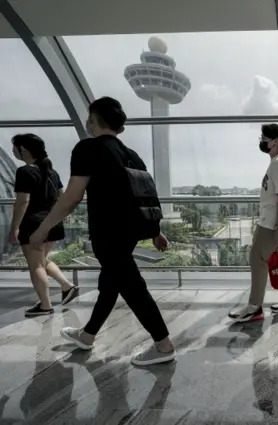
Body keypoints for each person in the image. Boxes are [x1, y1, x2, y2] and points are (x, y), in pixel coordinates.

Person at [29, 96, 175, 366]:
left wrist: (44, 227)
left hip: (108, 232)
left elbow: (72, 196)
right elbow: (145, 196)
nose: (87, 122)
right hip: (131, 231)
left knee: (132, 287)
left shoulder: (88, 149)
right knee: (110, 284)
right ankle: (87, 336)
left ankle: (163, 344)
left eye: (89, 117)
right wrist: (155, 231)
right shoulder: (132, 155)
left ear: (94, 119)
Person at [228, 124, 278, 322]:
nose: (261, 142)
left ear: (275, 141)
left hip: (274, 223)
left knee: (257, 258)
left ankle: (254, 307)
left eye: (264, 138)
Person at [9, 134, 78, 317]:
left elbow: (23, 201)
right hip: (52, 223)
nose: (13, 151)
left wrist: (15, 227)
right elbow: (62, 197)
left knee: (36, 266)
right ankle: (66, 285)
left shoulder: (24, 171)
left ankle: (45, 306)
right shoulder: (52, 172)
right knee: (41, 261)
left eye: (14, 148)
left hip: (33, 224)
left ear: (23, 149)